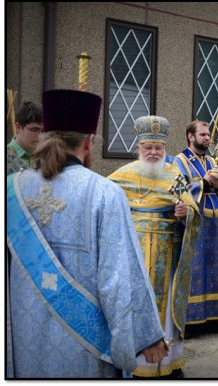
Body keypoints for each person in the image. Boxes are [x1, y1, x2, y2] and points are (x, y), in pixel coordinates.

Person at [7, 89, 167, 378]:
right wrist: (148, 335)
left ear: (46, 134)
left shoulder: (11, 189)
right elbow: (118, 277)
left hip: (21, 335)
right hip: (86, 347)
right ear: (90, 142)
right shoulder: (105, 193)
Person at [108, 115, 201, 379]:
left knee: (165, 310)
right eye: (148, 147)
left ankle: (167, 365)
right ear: (138, 148)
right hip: (132, 259)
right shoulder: (121, 176)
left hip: (167, 256)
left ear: (164, 150)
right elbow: (105, 209)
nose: (153, 152)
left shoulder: (174, 174)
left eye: (158, 148)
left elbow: (193, 211)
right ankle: (134, 364)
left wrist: (186, 213)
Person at [174, 120, 218, 332]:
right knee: (196, 265)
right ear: (191, 136)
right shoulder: (179, 160)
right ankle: (193, 319)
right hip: (194, 218)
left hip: (215, 220)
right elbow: (178, 189)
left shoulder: (211, 160)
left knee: (216, 264)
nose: (207, 138)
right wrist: (205, 183)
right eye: (203, 135)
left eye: (208, 135)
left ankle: (217, 317)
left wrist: (217, 185)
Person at [7, 101, 43, 175]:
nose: (40, 136)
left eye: (43, 131)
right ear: (18, 127)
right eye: (34, 130)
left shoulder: (46, 156)